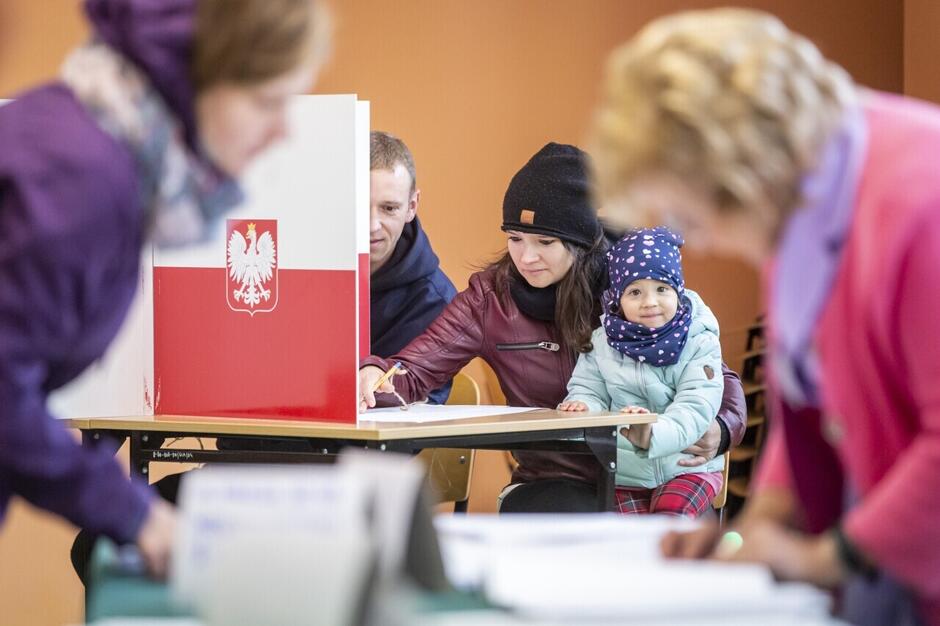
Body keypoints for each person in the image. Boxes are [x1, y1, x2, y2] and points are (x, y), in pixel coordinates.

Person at [593, 9, 940, 624]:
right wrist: (748, 537)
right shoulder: (797, 206)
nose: (700, 242)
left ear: (743, 175)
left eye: (690, 217)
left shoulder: (919, 202)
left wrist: (822, 559)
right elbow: (808, 409)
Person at [0, 0, 330, 578]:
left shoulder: (84, 141)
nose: (284, 131)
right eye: (267, 102)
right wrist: (136, 513)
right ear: (194, 77)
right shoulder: (85, 177)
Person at [360, 142, 747, 513]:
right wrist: (376, 373)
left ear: (580, 242)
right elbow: (414, 369)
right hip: (551, 480)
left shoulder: (634, 286)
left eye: (545, 242)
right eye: (515, 239)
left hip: (651, 476)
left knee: (665, 534)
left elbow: (712, 370)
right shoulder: (489, 299)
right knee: (578, 521)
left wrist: (723, 429)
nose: (526, 257)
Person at [558, 227, 725, 517]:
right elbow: (588, 388)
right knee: (628, 538)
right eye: (635, 292)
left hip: (686, 469)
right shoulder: (602, 342)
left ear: (678, 291)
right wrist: (583, 405)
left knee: (668, 524)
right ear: (617, 298)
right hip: (627, 475)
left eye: (662, 289)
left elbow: (696, 405)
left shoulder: (699, 340)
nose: (650, 302)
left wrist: (651, 434)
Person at [369, 131, 457, 404]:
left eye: (389, 208)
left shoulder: (435, 300)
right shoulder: (302, 272)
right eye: (358, 206)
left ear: (411, 206)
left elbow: (415, 404)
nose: (371, 225)